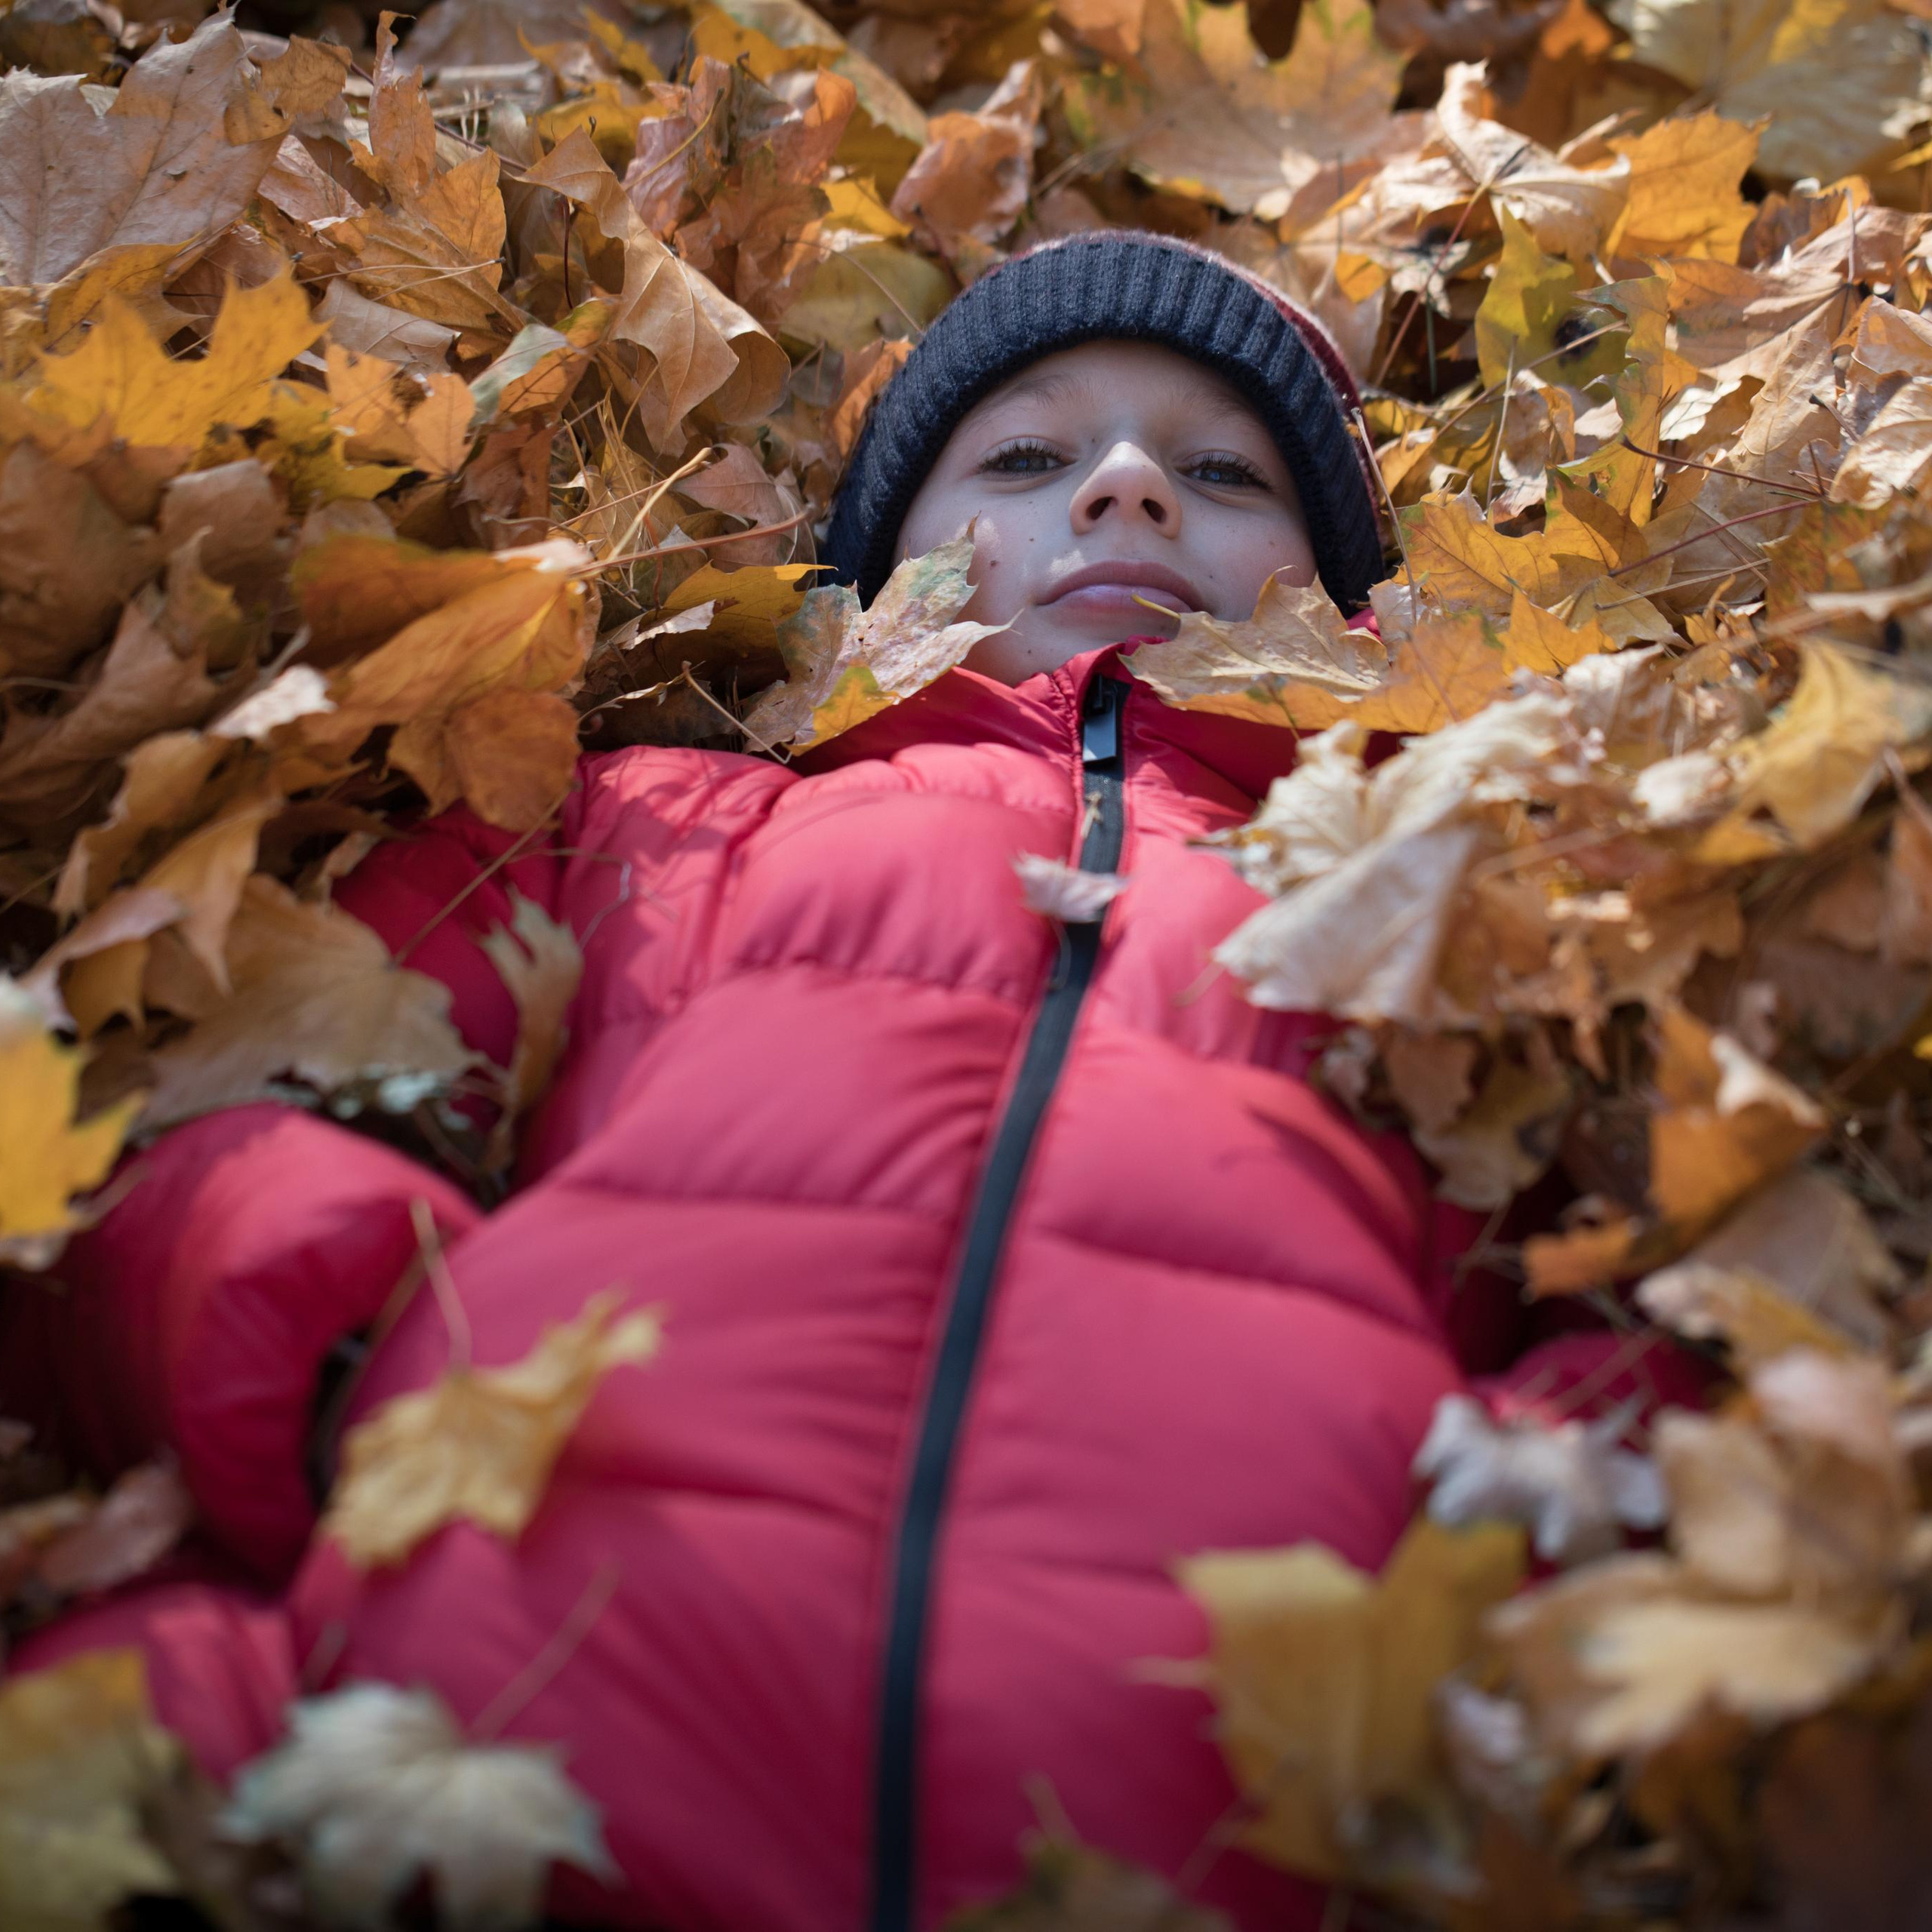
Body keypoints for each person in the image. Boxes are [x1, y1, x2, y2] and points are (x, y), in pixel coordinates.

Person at [0, 233, 1681, 1932]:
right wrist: (328, 1343)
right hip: (485, 1700)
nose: (1122, 488)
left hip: (1245, 1799)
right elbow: (239, 1100)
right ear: (871, 579)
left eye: (1222, 470)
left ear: (1352, 609)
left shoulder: (1457, 897)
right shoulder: (644, 817)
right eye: (1025, 456)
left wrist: (1526, 1522)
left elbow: (1684, 1275)